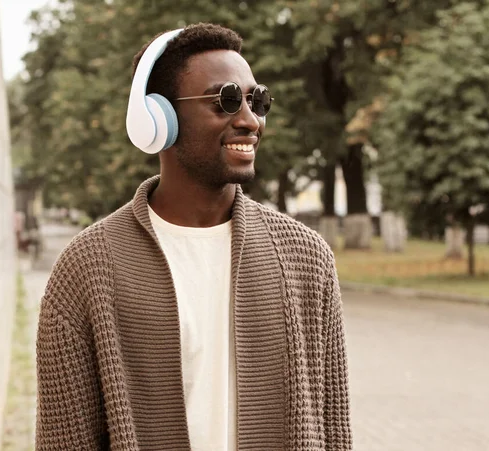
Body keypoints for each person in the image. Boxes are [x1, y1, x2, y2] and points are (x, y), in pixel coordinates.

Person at [35, 23, 352, 451]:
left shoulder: (307, 258)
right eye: (225, 100)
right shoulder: (87, 269)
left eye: (257, 101)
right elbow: (64, 441)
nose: (249, 120)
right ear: (158, 118)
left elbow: (334, 431)